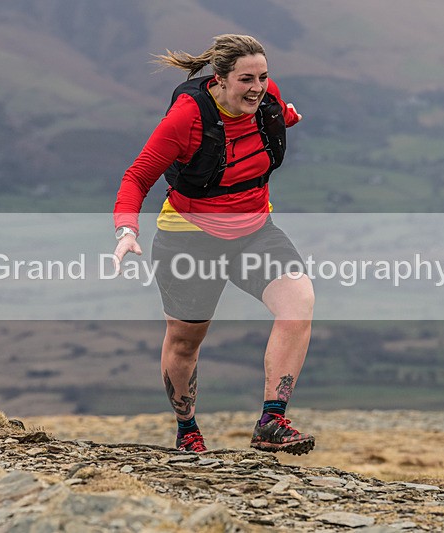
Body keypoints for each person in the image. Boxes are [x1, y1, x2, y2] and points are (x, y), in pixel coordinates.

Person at [112, 34, 315, 455]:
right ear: (219, 80)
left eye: (263, 76)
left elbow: (262, 128)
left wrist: (287, 117)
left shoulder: (266, 100)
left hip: (255, 230)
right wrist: (126, 231)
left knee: (298, 303)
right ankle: (187, 430)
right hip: (189, 238)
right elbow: (137, 177)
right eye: (246, 79)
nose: (257, 87)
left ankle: (271, 421)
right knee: (186, 340)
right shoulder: (186, 118)